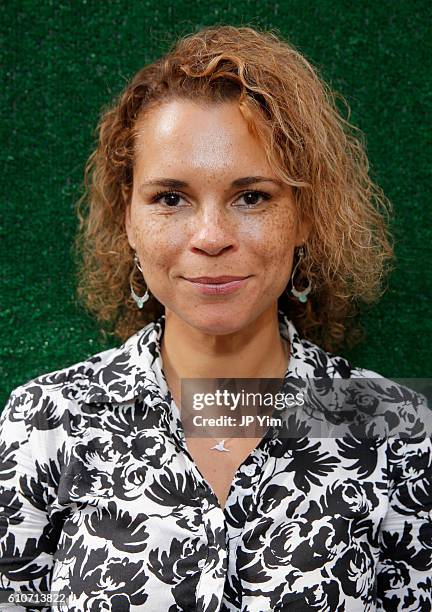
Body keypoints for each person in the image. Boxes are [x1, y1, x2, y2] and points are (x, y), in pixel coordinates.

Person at [0, 24, 430, 612]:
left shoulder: (399, 432)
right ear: (128, 218)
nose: (211, 238)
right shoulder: (44, 425)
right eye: (170, 198)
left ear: (306, 216)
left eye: (252, 196)